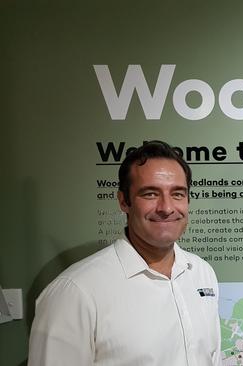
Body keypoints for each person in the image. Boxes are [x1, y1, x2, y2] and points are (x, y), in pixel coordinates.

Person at [28, 140, 221, 365]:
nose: (166, 208)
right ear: (124, 202)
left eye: (177, 194)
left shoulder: (201, 273)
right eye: (150, 194)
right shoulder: (76, 292)